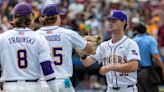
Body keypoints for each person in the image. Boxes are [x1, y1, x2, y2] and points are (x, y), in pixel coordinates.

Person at [0, 2, 57, 92]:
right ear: (30, 17)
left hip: (10, 86)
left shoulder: (2, 37)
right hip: (32, 86)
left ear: (14, 17)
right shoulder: (39, 38)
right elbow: (47, 68)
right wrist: (55, 90)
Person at [36, 4, 93, 92]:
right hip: (63, 81)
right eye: (59, 16)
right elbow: (89, 50)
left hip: (43, 83)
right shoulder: (67, 33)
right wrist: (87, 41)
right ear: (56, 17)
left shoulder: (35, 35)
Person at [80, 10, 141, 92]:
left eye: (114, 21)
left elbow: (133, 66)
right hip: (110, 89)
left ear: (124, 22)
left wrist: (110, 67)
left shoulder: (130, 44)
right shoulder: (104, 46)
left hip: (127, 88)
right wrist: (82, 54)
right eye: (110, 21)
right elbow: (87, 63)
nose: (111, 23)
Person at [133, 23, 164, 92]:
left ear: (136, 31)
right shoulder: (150, 40)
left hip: (136, 72)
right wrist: (163, 67)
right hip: (148, 72)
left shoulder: (133, 41)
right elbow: (155, 56)